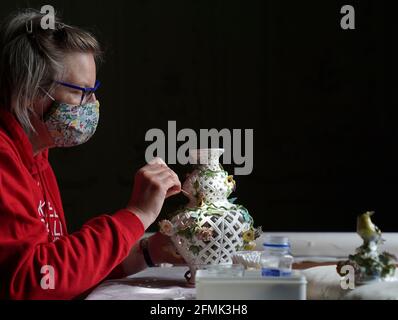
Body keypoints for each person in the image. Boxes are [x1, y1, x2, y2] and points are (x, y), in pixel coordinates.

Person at [0, 9, 183, 300]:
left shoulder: (36, 157)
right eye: (81, 92)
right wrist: (136, 214)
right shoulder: (4, 160)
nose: (93, 104)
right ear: (28, 93)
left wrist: (149, 251)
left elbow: (63, 273)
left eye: (94, 91)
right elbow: (36, 281)